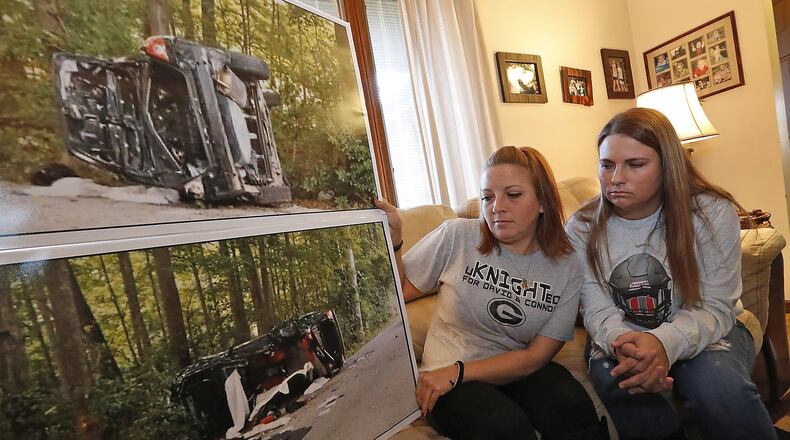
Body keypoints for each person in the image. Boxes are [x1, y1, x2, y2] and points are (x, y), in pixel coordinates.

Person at [565, 108, 777, 440]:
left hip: (709, 327)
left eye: (635, 164)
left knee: (717, 384)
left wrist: (663, 342)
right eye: (607, 164)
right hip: (623, 336)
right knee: (621, 381)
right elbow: (596, 308)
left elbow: (714, 306)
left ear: (667, 165)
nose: (615, 178)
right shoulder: (580, 226)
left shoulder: (711, 211)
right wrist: (628, 346)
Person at [375, 146, 608, 440]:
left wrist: (462, 371)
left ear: (542, 202)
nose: (497, 206)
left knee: (571, 406)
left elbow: (537, 357)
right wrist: (395, 240)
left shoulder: (567, 265)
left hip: (514, 368)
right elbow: (394, 294)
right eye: (487, 196)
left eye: (512, 195)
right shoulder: (457, 237)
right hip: (445, 378)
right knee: (503, 427)